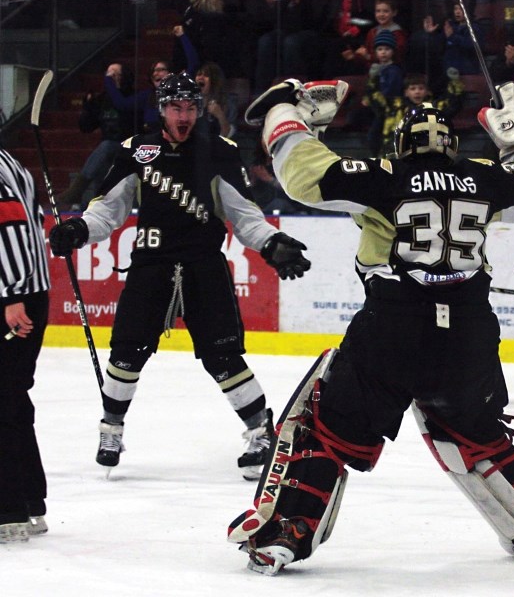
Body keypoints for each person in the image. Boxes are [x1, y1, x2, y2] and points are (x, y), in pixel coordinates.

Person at [226, 76, 514, 574]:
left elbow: (303, 174)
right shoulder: (486, 175)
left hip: (394, 323)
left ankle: (287, 532)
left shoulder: (383, 174)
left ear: (400, 143)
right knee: (471, 430)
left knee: (325, 428)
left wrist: (283, 110)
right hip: (470, 331)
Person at [48, 73, 312, 481]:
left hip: (203, 265)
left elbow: (244, 216)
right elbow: (108, 210)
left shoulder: (218, 151)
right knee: (126, 353)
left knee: (223, 356)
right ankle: (111, 430)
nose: (183, 115)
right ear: (161, 109)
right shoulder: (137, 150)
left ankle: (261, 431)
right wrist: (79, 229)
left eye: (190, 107)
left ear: (200, 109)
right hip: (151, 266)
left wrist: (272, 244)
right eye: (176, 108)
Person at [0, 149, 51, 542]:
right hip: (27, 293)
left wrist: (11, 295)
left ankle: (8, 510)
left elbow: (13, 223)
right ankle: (31, 503)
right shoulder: (11, 161)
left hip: (13, 299)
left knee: (4, 399)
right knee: (14, 398)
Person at [58, 62, 136, 210]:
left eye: (114, 74)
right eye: (108, 74)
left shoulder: (130, 98)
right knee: (103, 158)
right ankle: (95, 204)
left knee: (107, 147)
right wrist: (87, 107)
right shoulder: (102, 99)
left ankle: (78, 190)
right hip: (109, 148)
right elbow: (86, 127)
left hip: (129, 144)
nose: (110, 78)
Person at [366, 71, 464, 157]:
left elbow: (454, 103)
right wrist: (373, 78)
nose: (417, 92)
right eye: (413, 89)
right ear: (406, 92)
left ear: (427, 91)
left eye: (421, 88)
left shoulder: (434, 108)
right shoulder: (395, 106)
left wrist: (454, 81)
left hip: (426, 153)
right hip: (394, 152)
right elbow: (376, 99)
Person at [195, 61, 238, 138]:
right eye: (199, 74)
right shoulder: (190, 102)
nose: (201, 77)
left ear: (215, 80)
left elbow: (228, 135)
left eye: (206, 75)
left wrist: (220, 115)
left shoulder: (227, 102)